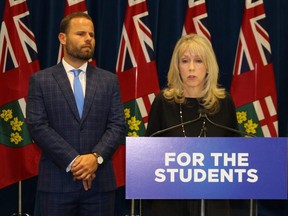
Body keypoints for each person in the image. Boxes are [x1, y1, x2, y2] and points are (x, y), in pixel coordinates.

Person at [26, 12, 126, 216]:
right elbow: (37, 126)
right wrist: (76, 162)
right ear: (62, 38)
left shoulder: (109, 81)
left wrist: (95, 158)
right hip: (56, 185)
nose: (88, 38)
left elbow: (117, 125)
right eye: (81, 34)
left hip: (100, 185)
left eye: (91, 34)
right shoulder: (41, 81)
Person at [144, 34, 244, 216]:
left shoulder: (223, 103)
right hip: (169, 203)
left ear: (208, 67)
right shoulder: (163, 102)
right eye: (184, 61)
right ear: (177, 67)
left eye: (198, 61)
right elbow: (148, 156)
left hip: (214, 203)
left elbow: (234, 154)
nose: (191, 67)